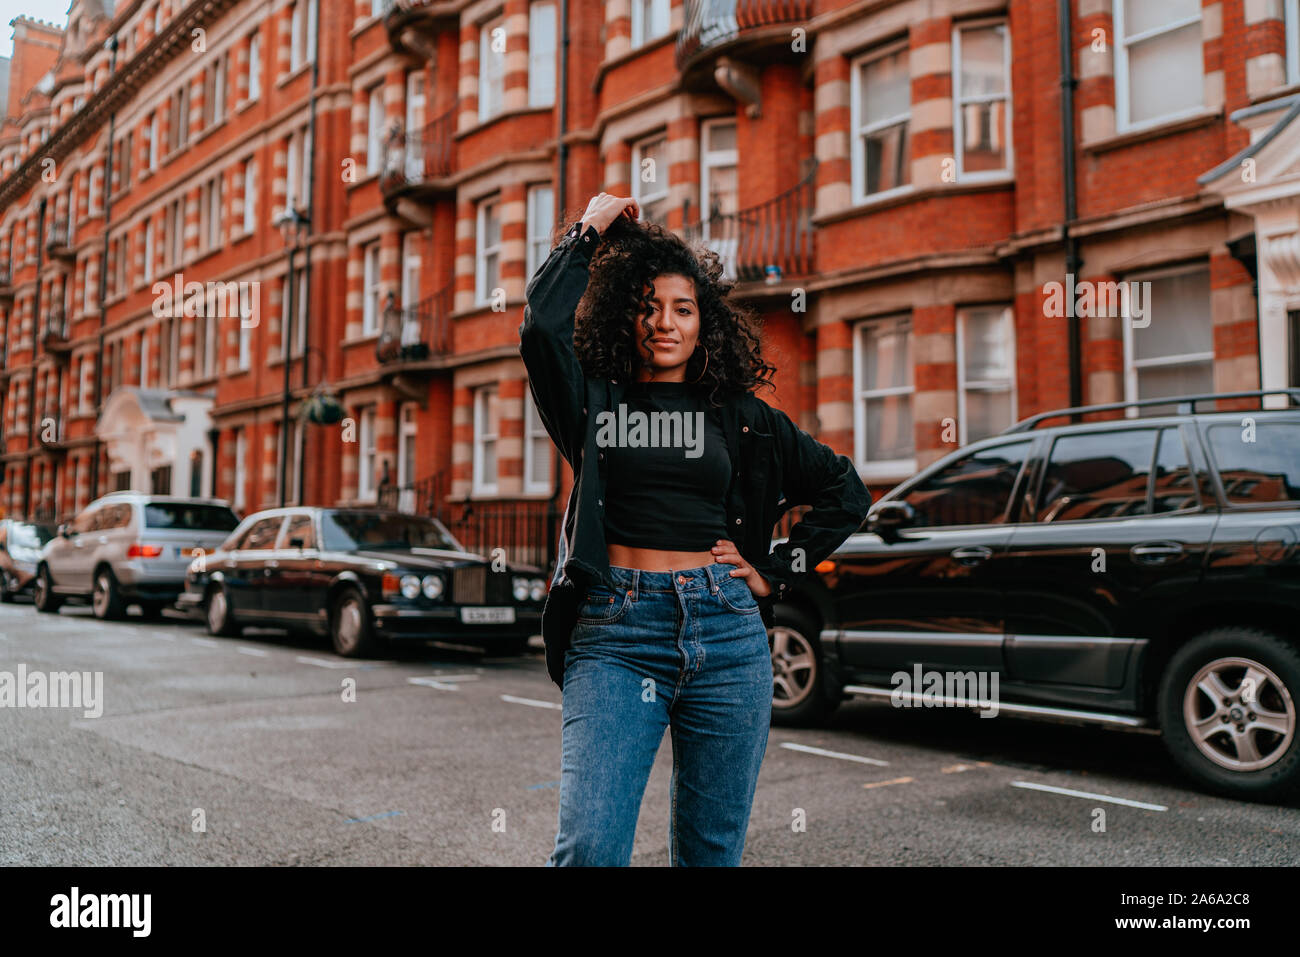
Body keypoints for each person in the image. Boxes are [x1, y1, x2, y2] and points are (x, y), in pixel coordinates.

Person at [519, 192, 872, 866]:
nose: (664, 323)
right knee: (590, 846)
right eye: (647, 306)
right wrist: (589, 228)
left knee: (711, 854)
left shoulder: (739, 416)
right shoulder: (594, 398)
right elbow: (541, 325)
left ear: (703, 322)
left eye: (682, 308)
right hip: (616, 631)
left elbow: (845, 490)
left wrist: (775, 569)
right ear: (627, 317)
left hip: (727, 632)